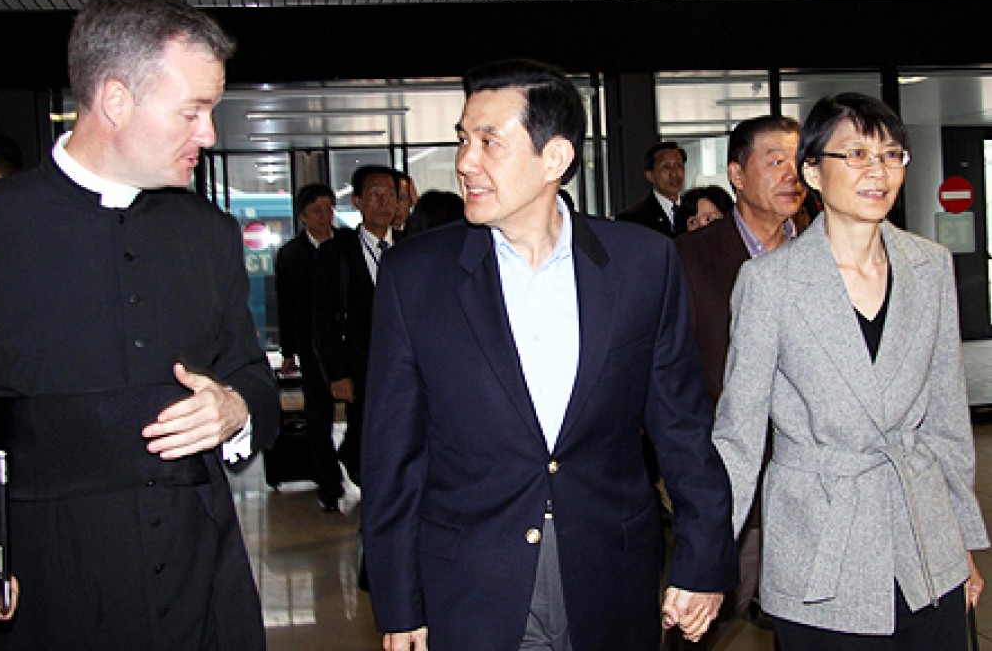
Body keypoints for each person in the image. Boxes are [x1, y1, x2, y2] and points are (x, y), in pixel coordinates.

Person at [361, 57, 736, 651]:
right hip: (470, 584)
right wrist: (399, 602)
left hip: (610, 575)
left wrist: (704, 559)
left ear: (554, 159)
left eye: (489, 142)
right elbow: (392, 456)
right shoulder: (416, 276)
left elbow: (684, 428)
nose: (465, 162)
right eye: (463, 139)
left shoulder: (643, 263)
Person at [0, 0, 278, 649]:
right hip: (45, 586)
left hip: (201, 585)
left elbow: (252, 376)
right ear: (115, 99)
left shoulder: (210, 232)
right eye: (193, 111)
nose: (209, 135)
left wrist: (235, 410)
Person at [713, 92, 989, 651]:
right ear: (812, 170)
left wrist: (958, 539)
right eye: (856, 154)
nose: (877, 171)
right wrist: (705, 556)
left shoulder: (928, 267)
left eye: (890, 155)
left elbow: (947, 420)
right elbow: (739, 437)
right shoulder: (770, 284)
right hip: (820, 548)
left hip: (923, 543)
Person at [672, 115, 805, 649]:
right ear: (737, 174)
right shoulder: (688, 259)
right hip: (729, 479)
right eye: (775, 161)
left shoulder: (826, 253)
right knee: (704, 620)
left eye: (799, 161)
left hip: (814, 483)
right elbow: (673, 378)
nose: (791, 174)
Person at [314, 164, 397, 488]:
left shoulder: (410, 246)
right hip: (361, 362)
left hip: (405, 362)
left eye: (391, 195)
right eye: (375, 195)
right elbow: (323, 318)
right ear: (358, 202)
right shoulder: (336, 253)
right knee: (365, 429)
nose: (384, 202)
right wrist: (336, 373)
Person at [274, 182, 347, 511]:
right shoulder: (291, 255)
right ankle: (329, 487)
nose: (325, 216)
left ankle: (354, 465)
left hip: (347, 344)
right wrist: (288, 351)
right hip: (311, 347)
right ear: (303, 217)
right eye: (317, 211)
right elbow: (286, 305)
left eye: (330, 209)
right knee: (319, 419)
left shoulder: (347, 245)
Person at [615, 140, 687, 237]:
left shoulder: (694, 211)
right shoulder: (632, 220)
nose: (674, 173)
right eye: (666, 167)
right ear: (650, 176)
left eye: (679, 165)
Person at [392, 169, 418, 240]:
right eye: (392, 198)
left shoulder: (417, 230)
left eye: (401, 198)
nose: (396, 206)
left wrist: (418, 205)